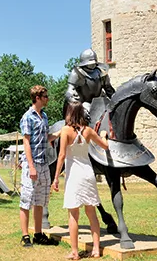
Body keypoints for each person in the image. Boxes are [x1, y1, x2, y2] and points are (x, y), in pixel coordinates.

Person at [52, 101, 109, 259]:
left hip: (74, 176)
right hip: (88, 174)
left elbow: (62, 156)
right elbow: (105, 146)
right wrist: (104, 135)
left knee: (73, 215)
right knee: (91, 213)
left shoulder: (65, 131)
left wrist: (56, 177)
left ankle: (75, 252)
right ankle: (96, 250)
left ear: (70, 113)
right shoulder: (89, 131)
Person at [19, 85, 59, 248]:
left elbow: (46, 138)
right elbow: (26, 141)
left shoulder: (44, 116)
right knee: (27, 200)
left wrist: (61, 132)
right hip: (32, 163)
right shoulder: (28, 117)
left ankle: (38, 234)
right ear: (37, 98)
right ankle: (25, 236)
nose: (48, 99)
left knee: (40, 201)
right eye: (45, 96)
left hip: (44, 163)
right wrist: (31, 166)